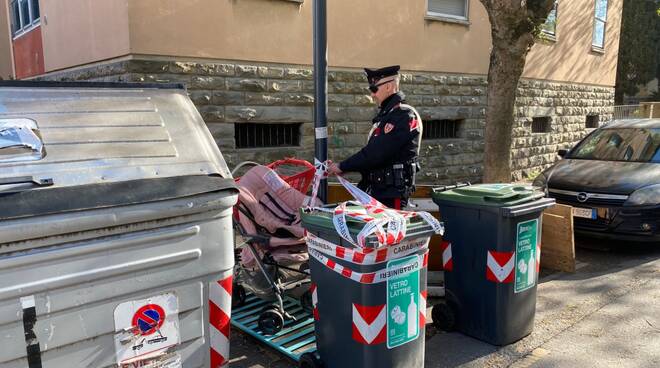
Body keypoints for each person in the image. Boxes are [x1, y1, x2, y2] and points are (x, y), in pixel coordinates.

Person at [327, 65, 422, 209]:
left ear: (389, 86)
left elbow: (375, 154)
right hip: (377, 191)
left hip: (391, 194)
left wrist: (341, 166)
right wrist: (344, 168)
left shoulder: (403, 115)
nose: (372, 95)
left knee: (385, 231)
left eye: (374, 89)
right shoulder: (388, 115)